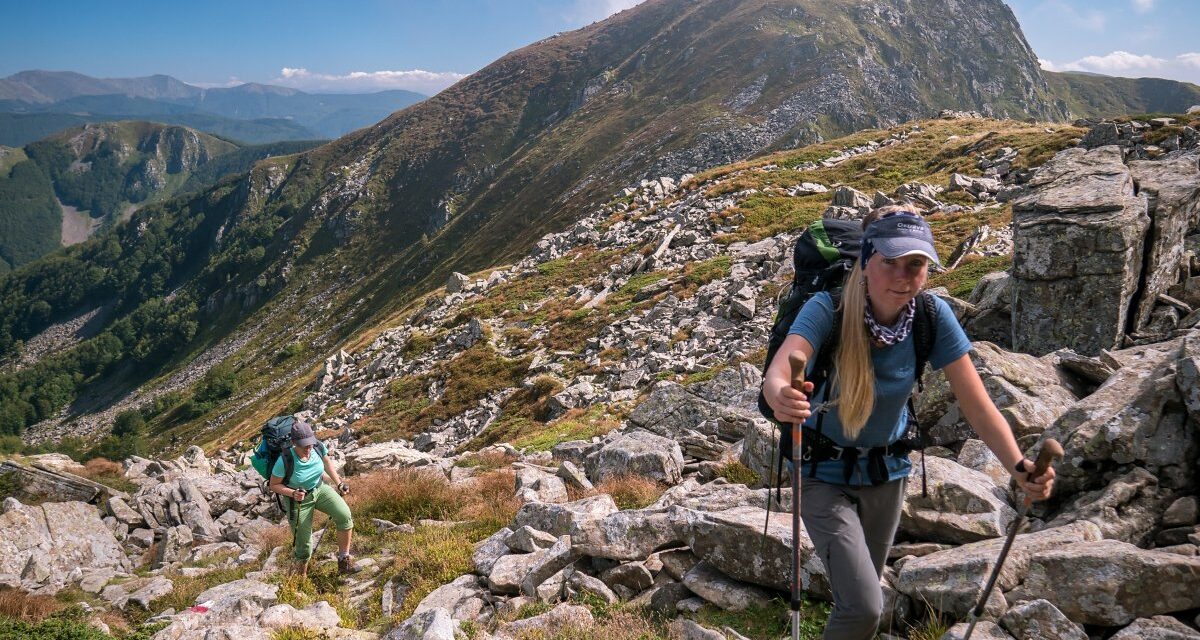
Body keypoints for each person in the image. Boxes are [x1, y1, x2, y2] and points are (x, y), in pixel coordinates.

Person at [761, 207, 1055, 639]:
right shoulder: (827, 307)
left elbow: (978, 406)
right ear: (866, 259)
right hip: (820, 473)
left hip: (888, 474)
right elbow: (779, 372)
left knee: (863, 601)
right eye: (890, 262)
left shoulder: (931, 317)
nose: (902, 275)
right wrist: (781, 397)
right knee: (864, 607)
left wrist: (1019, 468)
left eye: (915, 264)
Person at [267, 420, 359, 576]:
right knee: (304, 545)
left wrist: (339, 483)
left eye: (310, 444)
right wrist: (293, 493)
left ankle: (344, 562)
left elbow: (327, 462)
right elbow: (273, 485)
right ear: (294, 443)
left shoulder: (317, 446)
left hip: (319, 489)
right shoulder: (285, 460)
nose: (309, 448)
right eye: (304, 446)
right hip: (298, 500)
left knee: (344, 515)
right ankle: (299, 580)